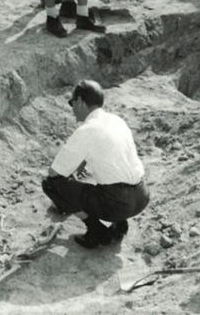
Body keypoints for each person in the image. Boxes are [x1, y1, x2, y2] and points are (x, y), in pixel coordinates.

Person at [41, 80, 150, 249]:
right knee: (105, 174)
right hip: (142, 196)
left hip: (117, 204)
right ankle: (120, 225)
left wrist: (65, 197)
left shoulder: (87, 130)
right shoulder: (117, 120)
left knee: (51, 184)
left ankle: (96, 231)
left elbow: (54, 173)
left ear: (80, 101)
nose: (72, 109)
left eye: (72, 103)